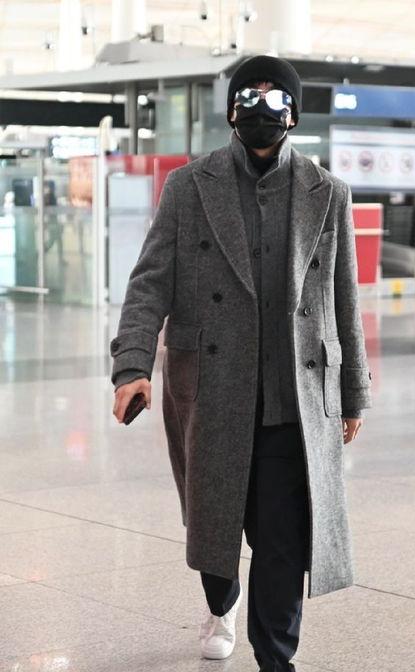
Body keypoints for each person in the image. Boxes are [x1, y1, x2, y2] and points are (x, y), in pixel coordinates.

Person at [110, 55, 372, 672]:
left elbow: (345, 298)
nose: (261, 106)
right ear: (231, 110)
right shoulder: (189, 186)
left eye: (275, 97)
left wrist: (353, 391)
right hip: (212, 389)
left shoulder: (327, 192)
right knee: (216, 527)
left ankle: (276, 659)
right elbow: (150, 283)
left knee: (282, 539)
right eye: (248, 95)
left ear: (293, 114)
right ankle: (219, 602)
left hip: (294, 394)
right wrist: (132, 366)